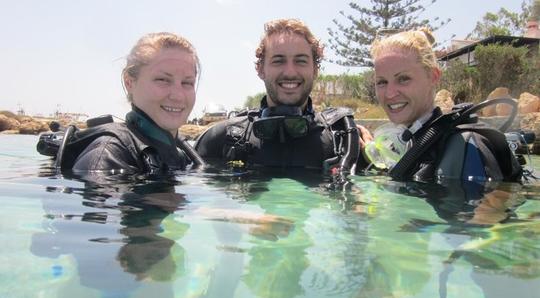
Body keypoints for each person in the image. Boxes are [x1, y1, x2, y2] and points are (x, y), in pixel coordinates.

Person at [194, 18, 367, 176]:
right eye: (278, 60)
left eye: (300, 61)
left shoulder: (344, 142)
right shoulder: (220, 140)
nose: (290, 72)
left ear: (315, 69)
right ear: (260, 69)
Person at [363, 28, 522, 183]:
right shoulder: (412, 143)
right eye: (382, 82)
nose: (390, 93)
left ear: (433, 76)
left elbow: (489, 207)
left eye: (403, 79)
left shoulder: (465, 147)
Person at [39, 32, 204, 173]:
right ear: (129, 82)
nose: (178, 96)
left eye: (187, 83)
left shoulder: (178, 155)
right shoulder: (108, 154)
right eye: (162, 79)